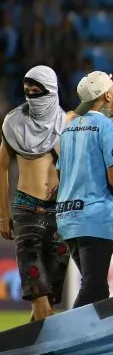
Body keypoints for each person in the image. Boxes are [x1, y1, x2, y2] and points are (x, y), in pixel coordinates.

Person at [56, 72, 113, 308]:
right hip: (94, 218)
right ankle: (65, 340)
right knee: (94, 287)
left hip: (67, 219)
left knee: (98, 290)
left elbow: (64, 172)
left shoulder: (67, 130)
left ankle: (86, 342)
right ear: (106, 95)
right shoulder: (110, 129)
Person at [0, 67, 73, 320]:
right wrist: (3, 214)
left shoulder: (67, 125)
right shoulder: (13, 123)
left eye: (37, 91)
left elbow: (75, 170)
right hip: (26, 210)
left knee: (48, 303)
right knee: (39, 299)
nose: (31, 97)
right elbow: (1, 168)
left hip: (59, 213)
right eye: (27, 91)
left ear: (51, 91)